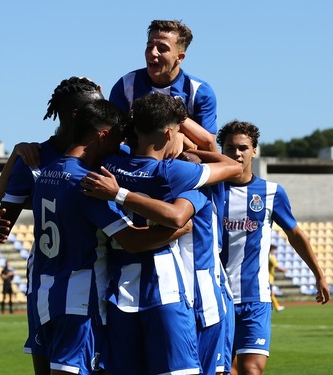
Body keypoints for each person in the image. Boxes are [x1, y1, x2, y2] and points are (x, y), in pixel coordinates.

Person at [28, 99, 194, 375]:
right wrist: (179, 229)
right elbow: (132, 240)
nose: (122, 146)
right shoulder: (86, 183)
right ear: (103, 135)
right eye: (118, 137)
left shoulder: (46, 174)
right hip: (79, 297)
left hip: (44, 294)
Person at [81, 93, 242, 375]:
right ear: (169, 133)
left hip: (119, 294)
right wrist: (192, 154)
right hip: (164, 292)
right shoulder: (174, 172)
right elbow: (233, 167)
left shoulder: (110, 164)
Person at [0, 77, 105, 373]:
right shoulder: (40, 157)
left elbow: (5, 214)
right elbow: (3, 218)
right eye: (96, 108)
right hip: (75, 281)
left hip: (62, 283)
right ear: (77, 115)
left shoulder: (40, 157)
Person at [218, 120, 330, 375]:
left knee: (252, 369)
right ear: (221, 150)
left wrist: (319, 275)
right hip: (215, 295)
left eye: (243, 147)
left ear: (254, 151)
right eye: (230, 147)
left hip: (255, 296)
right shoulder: (209, 189)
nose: (237, 153)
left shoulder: (271, 192)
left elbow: (295, 234)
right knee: (223, 370)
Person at [109, 19, 218, 145]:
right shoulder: (126, 85)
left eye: (162, 48)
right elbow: (113, 137)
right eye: (149, 47)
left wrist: (180, 135)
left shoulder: (199, 91)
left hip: (181, 161)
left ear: (179, 57)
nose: (153, 53)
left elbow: (208, 145)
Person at [268, 241, 288, 312]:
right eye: (273, 249)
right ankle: (276, 307)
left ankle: (273, 307)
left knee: (270, 294)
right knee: (270, 294)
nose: (274, 251)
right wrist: (284, 270)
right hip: (269, 279)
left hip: (269, 278)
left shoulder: (267, 256)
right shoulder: (271, 256)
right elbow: (276, 266)